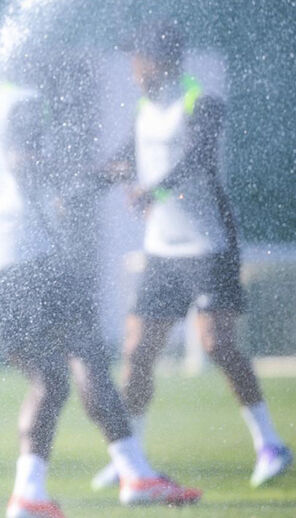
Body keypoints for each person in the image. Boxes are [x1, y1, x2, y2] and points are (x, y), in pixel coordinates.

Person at [0, 73, 201, 517]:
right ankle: (135, 472)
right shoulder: (25, 96)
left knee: (48, 381)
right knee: (87, 355)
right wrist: (85, 179)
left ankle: (28, 494)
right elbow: (22, 161)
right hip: (27, 255)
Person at [91, 21, 292, 491]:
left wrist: (152, 188)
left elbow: (199, 158)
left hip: (207, 246)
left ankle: (269, 443)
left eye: (140, 59)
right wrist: (85, 183)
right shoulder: (145, 107)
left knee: (217, 344)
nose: (134, 69)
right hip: (161, 251)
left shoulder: (201, 101)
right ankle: (132, 459)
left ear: (162, 60)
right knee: (137, 352)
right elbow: (124, 162)